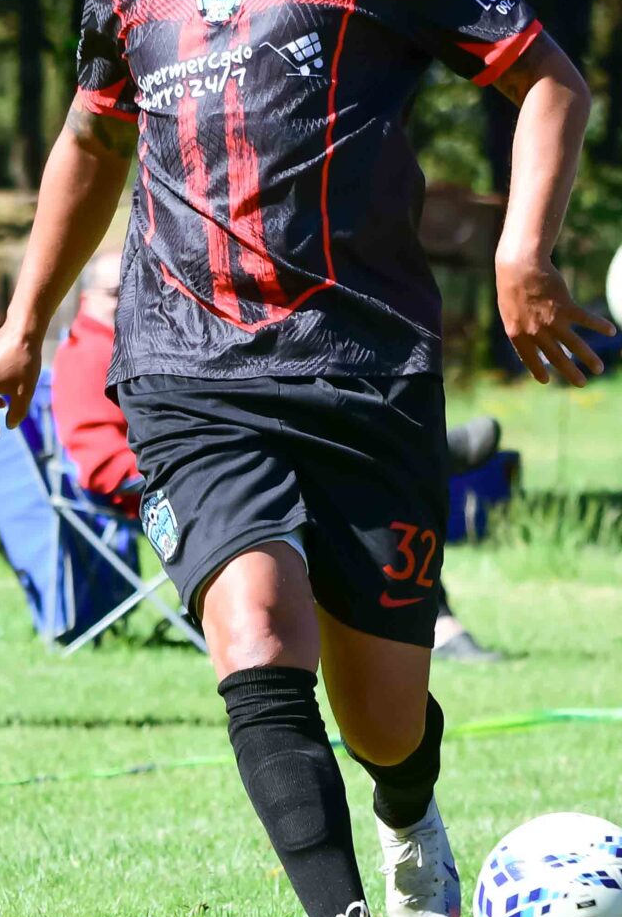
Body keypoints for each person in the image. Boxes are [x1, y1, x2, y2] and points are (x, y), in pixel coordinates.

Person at [0, 0, 609, 917]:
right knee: (254, 626)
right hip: (187, 367)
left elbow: (550, 78)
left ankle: (408, 806)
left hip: (368, 368)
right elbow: (90, 140)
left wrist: (523, 251)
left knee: (382, 713)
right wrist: (22, 325)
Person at [50, 250, 506, 660]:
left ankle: (410, 472)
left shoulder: (140, 345)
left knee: (353, 482)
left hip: (211, 469)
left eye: (134, 290)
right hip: (161, 486)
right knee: (353, 480)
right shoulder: (88, 355)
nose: (127, 303)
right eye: (115, 294)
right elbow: (100, 466)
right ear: (86, 299)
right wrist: (193, 459)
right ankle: (424, 464)